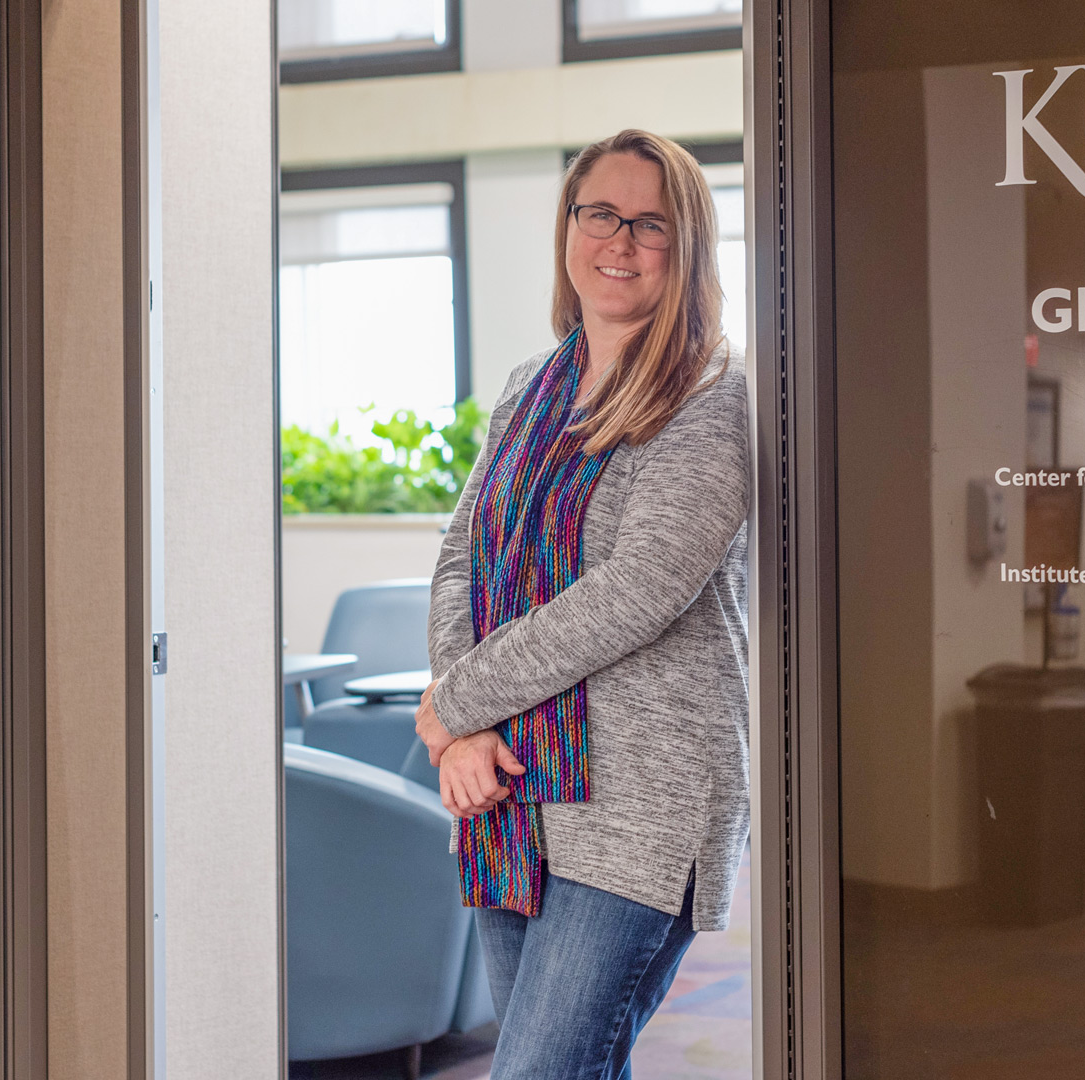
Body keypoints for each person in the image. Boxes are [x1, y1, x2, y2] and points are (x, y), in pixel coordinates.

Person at [414, 128, 750, 1079]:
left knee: (539, 1070)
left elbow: (640, 589)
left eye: (652, 224)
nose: (621, 240)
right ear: (569, 225)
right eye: (601, 213)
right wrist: (462, 728)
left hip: (642, 796)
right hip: (511, 788)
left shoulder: (709, 394)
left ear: (686, 250)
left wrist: (460, 703)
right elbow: (460, 559)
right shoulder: (530, 388)